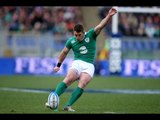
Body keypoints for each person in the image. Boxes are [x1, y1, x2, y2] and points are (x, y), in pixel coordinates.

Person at [45, 7, 117, 112]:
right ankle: (53, 100)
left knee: (82, 83)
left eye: (79, 35)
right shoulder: (71, 41)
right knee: (69, 78)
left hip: (89, 65)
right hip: (77, 63)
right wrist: (58, 65)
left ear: (84, 32)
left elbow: (101, 25)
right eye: (75, 35)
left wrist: (109, 16)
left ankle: (68, 106)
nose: (77, 37)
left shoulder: (91, 34)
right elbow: (64, 52)